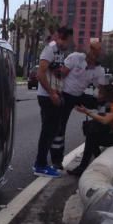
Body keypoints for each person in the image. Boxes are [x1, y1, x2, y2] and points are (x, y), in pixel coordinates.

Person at [51, 38, 107, 164]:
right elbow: (61, 75)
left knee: (105, 106)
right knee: (60, 127)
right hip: (65, 95)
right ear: (89, 51)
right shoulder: (75, 58)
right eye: (93, 51)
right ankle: (57, 161)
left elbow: (102, 90)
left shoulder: (99, 70)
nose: (94, 55)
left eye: (97, 53)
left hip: (79, 96)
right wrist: (54, 93)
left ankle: (96, 139)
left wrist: (103, 102)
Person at [68, 83, 113, 176]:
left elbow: (105, 120)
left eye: (101, 94)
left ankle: (83, 167)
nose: (99, 95)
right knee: (92, 130)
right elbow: (103, 115)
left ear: (108, 95)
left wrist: (87, 112)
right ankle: (95, 159)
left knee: (91, 136)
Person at [32, 26, 73, 177]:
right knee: (48, 131)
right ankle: (40, 165)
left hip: (55, 95)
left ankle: (41, 163)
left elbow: (53, 72)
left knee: (52, 131)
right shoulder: (50, 49)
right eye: (69, 40)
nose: (69, 43)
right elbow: (40, 74)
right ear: (63, 37)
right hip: (47, 97)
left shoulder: (60, 52)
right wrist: (51, 93)